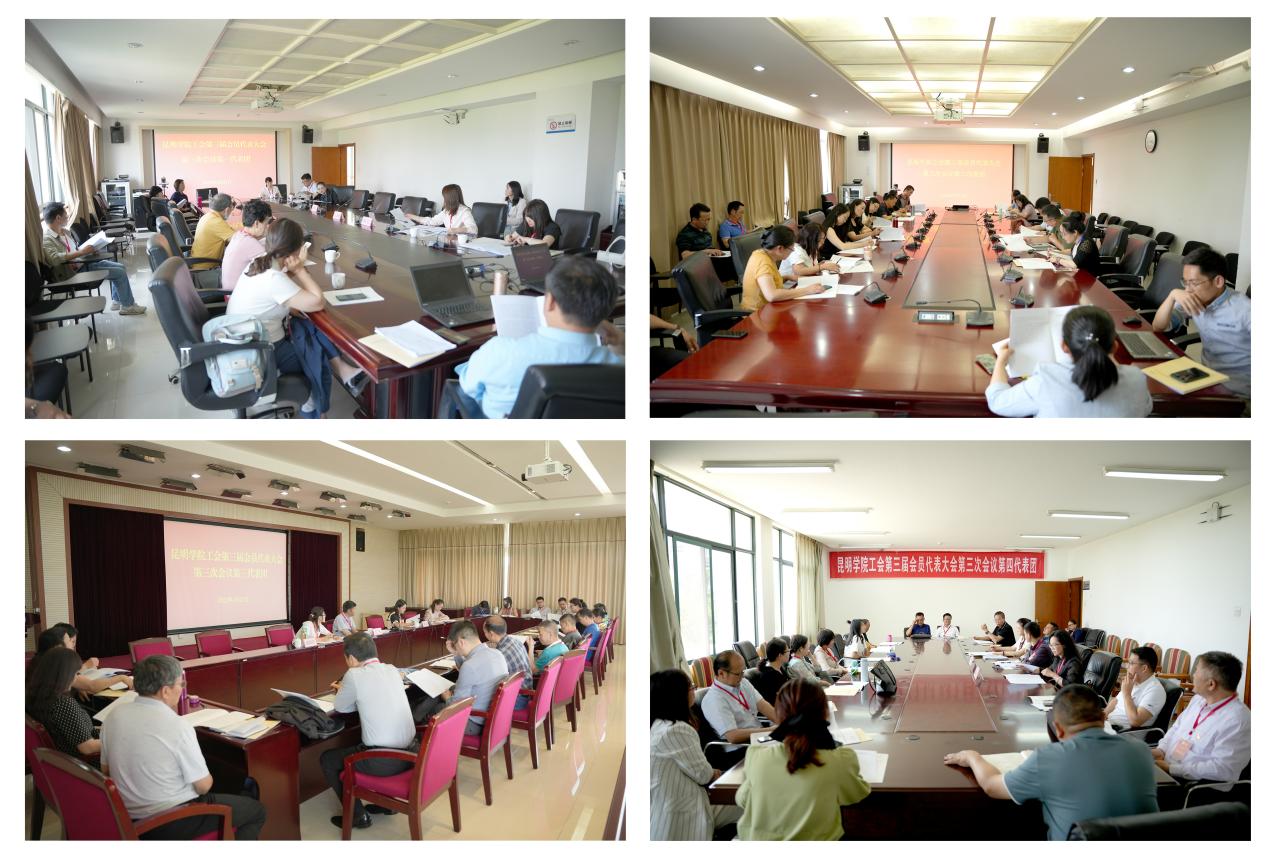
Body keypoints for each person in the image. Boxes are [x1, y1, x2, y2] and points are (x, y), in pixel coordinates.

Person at [945, 684, 1158, 840]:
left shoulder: (1047, 759)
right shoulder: (1140, 750)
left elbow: (992, 786)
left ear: (1058, 729)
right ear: (1103, 719)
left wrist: (972, 756)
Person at [100, 654, 267, 839]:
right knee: (256, 811)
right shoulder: (176, 725)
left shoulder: (114, 715)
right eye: (181, 684)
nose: (182, 689)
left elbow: (106, 769)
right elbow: (203, 787)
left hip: (126, 817)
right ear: (165, 691)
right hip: (170, 820)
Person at [226, 218, 370, 417]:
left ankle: (343, 371)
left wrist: (293, 270)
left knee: (306, 325)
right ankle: (314, 411)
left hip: (243, 338)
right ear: (295, 249)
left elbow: (285, 293)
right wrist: (300, 270)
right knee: (315, 357)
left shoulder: (260, 262)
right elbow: (318, 302)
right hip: (259, 350)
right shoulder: (273, 279)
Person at [456, 256, 621, 418]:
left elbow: (468, 387)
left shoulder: (499, 352)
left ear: (550, 302)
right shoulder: (619, 369)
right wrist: (621, 340)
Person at [736, 680, 870, 840]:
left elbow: (742, 800)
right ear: (825, 712)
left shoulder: (756, 756)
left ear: (779, 713)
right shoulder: (841, 760)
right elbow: (856, 794)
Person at [320, 633, 417, 830]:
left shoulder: (354, 675)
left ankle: (357, 816)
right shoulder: (391, 669)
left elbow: (341, 707)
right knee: (362, 743)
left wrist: (342, 690)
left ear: (351, 658)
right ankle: (387, 805)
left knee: (328, 759)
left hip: (384, 761)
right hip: (412, 753)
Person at [987, 305, 1153, 418]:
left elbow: (997, 401)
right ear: (1115, 347)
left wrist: (1001, 361)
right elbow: (1146, 408)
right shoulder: (1137, 379)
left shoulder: (1046, 380)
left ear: (1064, 347)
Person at [650, 668, 740, 840]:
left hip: (670, 804)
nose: (694, 689)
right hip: (684, 809)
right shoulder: (676, 730)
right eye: (691, 686)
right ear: (677, 694)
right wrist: (714, 772)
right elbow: (703, 775)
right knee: (752, 801)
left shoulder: (658, 725)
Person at [1151, 247, 1251, 399]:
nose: (1187, 290)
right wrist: (1172, 296)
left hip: (1238, 393)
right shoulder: (1194, 299)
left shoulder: (1245, 310)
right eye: (1185, 282)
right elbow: (1158, 326)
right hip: (1206, 380)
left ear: (1218, 281)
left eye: (1193, 283)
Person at [1154, 651, 1250, 783]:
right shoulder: (1198, 700)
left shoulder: (1237, 720)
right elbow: (1176, 727)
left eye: (1196, 672)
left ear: (1211, 684)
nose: (1193, 676)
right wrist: (1161, 750)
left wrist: (1171, 768)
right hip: (1168, 767)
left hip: (1191, 785)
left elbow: (1222, 770)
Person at [41, 201, 145, 315]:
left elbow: (75, 250)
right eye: (66, 215)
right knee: (119, 273)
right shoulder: (47, 239)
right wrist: (81, 252)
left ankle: (118, 300)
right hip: (72, 273)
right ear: (58, 218)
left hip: (83, 263)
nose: (68, 217)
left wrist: (89, 250)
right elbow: (54, 259)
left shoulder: (65, 232)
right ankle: (128, 306)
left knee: (121, 267)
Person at [423, 622, 508, 735]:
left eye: (455, 645)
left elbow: (455, 706)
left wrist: (447, 697)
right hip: (493, 718)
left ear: (461, 642)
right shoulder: (497, 654)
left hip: (474, 723)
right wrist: (456, 652)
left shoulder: (470, 666)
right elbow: (471, 668)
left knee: (433, 710)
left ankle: (423, 741)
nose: (455, 648)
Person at [26, 646, 100, 758]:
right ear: (65, 674)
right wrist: (119, 742)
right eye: (75, 673)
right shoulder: (63, 703)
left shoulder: (38, 694)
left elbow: (76, 730)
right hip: (86, 761)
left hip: (63, 758)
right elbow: (88, 748)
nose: (76, 678)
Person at [740, 225, 828, 311]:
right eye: (791, 249)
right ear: (780, 248)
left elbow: (768, 282)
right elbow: (772, 295)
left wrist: (787, 277)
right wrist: (807, 290)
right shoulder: (763, 262)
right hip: (758, 312)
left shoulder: (763, 254)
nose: (792, 252)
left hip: (770, 307)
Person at [701, 650, 778, 745]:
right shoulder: (714, 699)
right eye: (738, 674)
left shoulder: (743, 683)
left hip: (758, 737)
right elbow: (733, 736)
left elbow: (763, 705)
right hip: (741, 746)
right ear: (721, 673)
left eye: (743, 672)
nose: (742, 676)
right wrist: (769, 730)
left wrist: (784, 722)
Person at [1104, 646, 1167, 730]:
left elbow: (1135, 721)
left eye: (1131, 663)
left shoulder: (1155, 690)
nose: (1127, 667)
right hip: (1109, 724)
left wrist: (1127, 694)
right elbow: (1116, 701)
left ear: (1144, 668)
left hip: (1123, 732)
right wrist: (1103, 714)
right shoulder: (1133, 681)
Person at [219, 198, 272, 292]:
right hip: (234, 294)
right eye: (267, 222)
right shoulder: (251, 244)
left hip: (228, 290)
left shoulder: (239, 235)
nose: (268, 226)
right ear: (256, 223)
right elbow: (273, 270)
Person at [483, 616, 532, 709]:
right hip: (526, 693)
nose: (485, 635)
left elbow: (489, 681)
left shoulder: (500, 654)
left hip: (517, 699)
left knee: (480, 701)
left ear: (491, 634)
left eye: (485, 632)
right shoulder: (516, 641)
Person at [190, 193, 239, 270]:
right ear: (226, 209)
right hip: (205, 268)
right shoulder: (217, 222)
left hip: (197, 262)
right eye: (231, 209)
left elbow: (227, 231)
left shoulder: (208, 216)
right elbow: (238, 242)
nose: (231, 213)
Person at [405, 183, 476, 234]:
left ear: (450, 198)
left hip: (461, 244)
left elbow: (473, 229)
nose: (444, 199)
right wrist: (412, 216)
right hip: (449, 242)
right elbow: (432, 221)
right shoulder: (446, 211)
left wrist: (456, 230)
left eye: (444, 197)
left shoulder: (464, 211)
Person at [751, 637, 790, 704]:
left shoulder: (778, 666)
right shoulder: (769, 675)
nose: (789, 652)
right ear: (779, 655)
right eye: (787, 651)